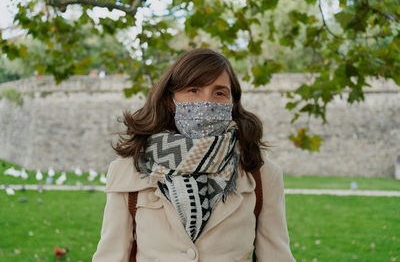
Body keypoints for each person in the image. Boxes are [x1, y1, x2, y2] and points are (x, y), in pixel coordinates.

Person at [92, 48, 296, 262]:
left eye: (219, 93)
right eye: (193, 90)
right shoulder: (128, 169)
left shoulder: (262, 175)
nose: (206, 102)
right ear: (171, 101)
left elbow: (276, 256)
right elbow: (110, 256)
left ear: (231, 103)